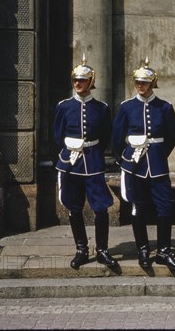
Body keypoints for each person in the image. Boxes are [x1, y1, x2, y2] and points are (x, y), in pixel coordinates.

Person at [112, 58, 175, 272]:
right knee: (138, 207)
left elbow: (171, 136)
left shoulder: (165, 107)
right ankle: (143, 249)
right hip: (134, 165)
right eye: (138, 82)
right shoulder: (126, 107)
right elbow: (117, 138)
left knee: (165, 207)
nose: (140, 86)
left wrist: (159, 155)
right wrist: (124, 159)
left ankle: (163, 251)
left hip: (157, 165)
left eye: (145, 83)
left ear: (153, 84)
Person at [54, 54, 118, 270]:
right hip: (70, 162)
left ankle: (102, 250)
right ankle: (81, 249)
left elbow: (106, 134)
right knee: (74, 207)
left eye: (82, 80)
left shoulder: (101, 108)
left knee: (101, 208)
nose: (78, 84)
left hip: (92, 161)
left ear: (91, 82)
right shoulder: (63, 106)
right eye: (75, 80)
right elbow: (57, 135)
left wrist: (92, 152)